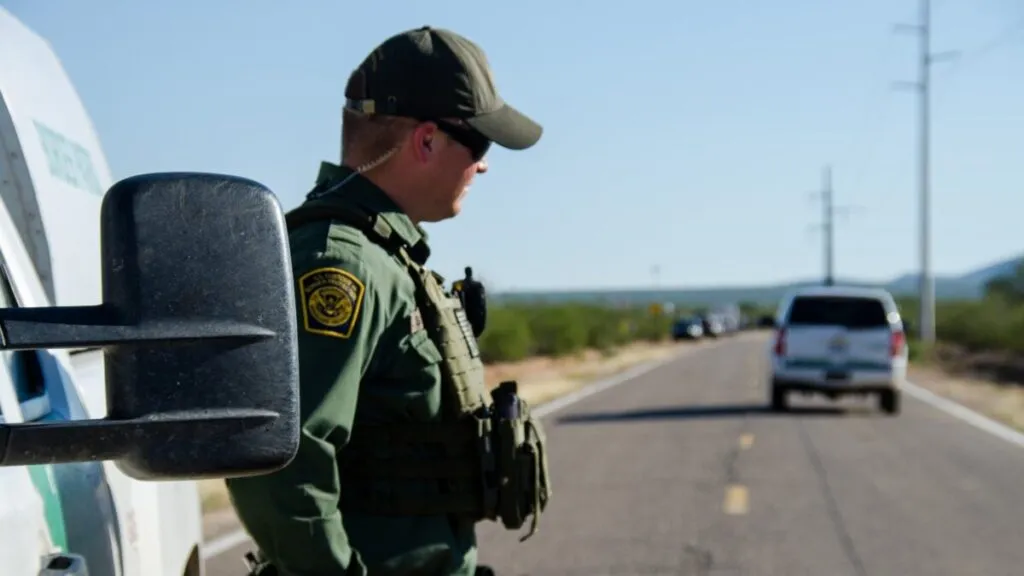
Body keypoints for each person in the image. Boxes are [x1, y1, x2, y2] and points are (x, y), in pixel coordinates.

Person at [225, 26, 551, 576]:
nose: (485, 165)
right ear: (426, 141)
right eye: (479, 144)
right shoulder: (342, 265)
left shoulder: (386, 257)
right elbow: (284, 460)